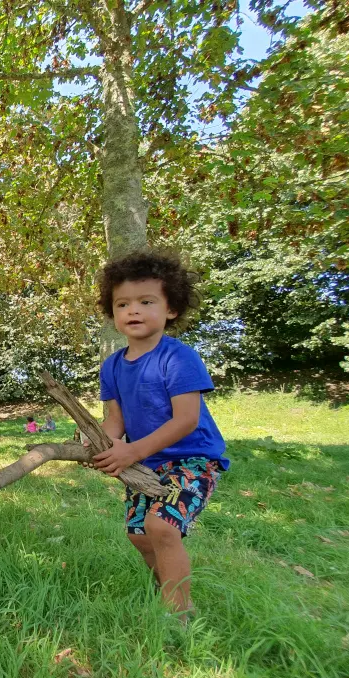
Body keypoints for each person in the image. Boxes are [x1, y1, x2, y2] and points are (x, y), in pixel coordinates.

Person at [91, 252, 228, 621]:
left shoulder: (178, 358)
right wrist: (100, 445)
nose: (133, 310)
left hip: (193, 458)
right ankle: (167, 590)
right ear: (112, 312)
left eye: (146, 301)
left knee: (161, 526)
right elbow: (115, 420)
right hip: (146, 463)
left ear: (171, 309)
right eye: (123, 303)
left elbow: (186, 420)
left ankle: (179, 615)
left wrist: (130, 451)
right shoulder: (113, 366)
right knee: (139, 535)